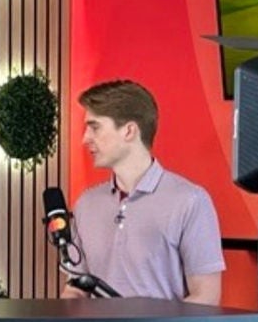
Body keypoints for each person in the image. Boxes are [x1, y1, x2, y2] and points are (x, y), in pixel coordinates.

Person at [61, 80, 225, 305]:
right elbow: (75, 289)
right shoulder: (86, 204)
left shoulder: (190, 201)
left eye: (95, 127)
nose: (85, 138)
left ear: (129, 131)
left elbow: (207, 297)